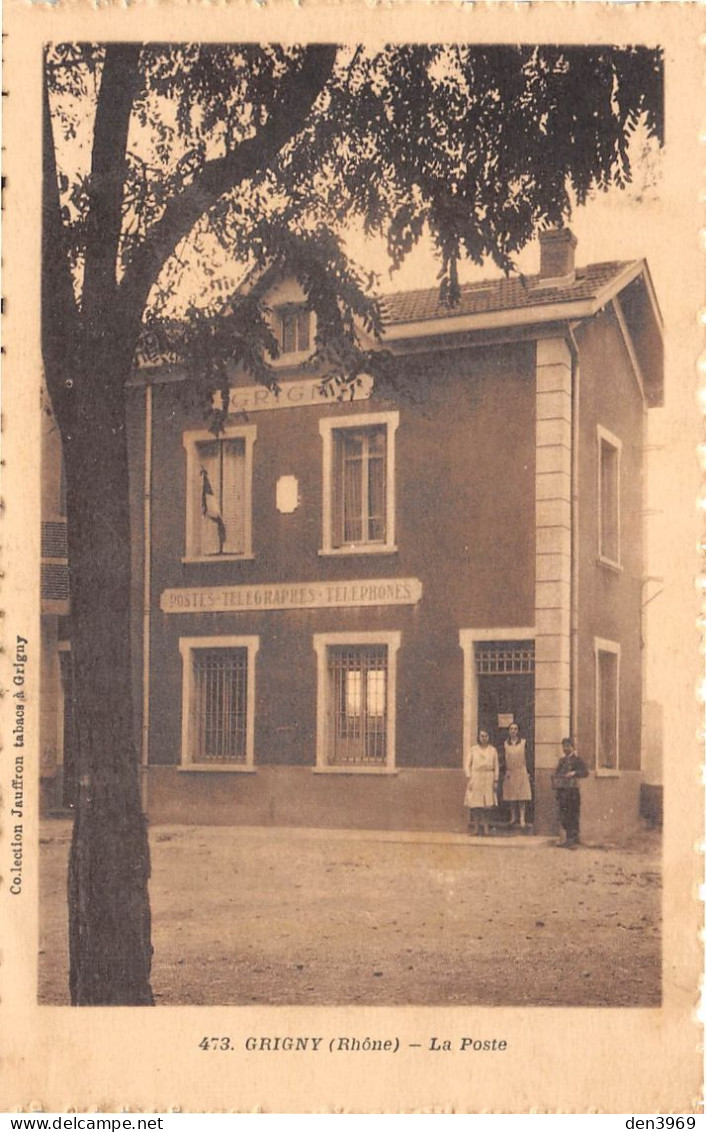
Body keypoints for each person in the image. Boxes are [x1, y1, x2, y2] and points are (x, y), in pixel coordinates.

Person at [552, 736, 589, 848]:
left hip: (573, 793)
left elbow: (585, 772)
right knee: (564, 816)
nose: (565, 748)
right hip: (563, 792)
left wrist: (574, 773)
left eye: (568, 746)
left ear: (573, 747)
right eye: (564, 746)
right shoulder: (562, 761)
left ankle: (572, 839)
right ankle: (570, 838)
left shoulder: (578, 760)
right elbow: (558, 774)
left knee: (573, 815)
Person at [464, 730, 499, 836]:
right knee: (475, 805)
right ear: (479, 737)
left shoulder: (493, 750)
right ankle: (476, 829)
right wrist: (469, 777)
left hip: (488, 777)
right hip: (476, 777)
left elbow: (496, 766)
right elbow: (467, 765)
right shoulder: (473, 750)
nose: (484, 738)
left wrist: (495, 780)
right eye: (482, 736)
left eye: (486, 736)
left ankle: (486, 829)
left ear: (489, 737)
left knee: (486, 805)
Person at [503, 722, 532, 830]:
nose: (513, 731)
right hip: (510, 772)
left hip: (521, 771)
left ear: (518, 731)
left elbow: (528, 757)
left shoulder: (523, 742)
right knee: (511, 796)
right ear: (508, 731)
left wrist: (528, 772)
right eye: (511, 729)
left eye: (515, 729)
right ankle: (513, 817)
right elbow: (503, 758)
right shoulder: (505, 743)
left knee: (522, 796)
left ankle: (522, 818)